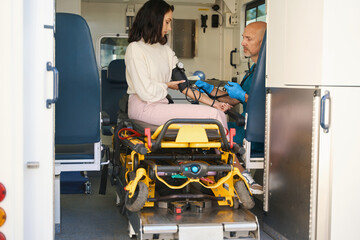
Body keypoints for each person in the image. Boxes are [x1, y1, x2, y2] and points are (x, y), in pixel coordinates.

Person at [125, 0, 231, 136]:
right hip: (143, 107)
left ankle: (224, 154)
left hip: (160, 106)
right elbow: (146, 92)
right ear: (154, 20)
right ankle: (229, 155)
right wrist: (167, 85)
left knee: (217, 112)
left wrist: (214, 103)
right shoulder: (135, 49)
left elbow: (184, 86)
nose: (169, 28)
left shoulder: (165, 50)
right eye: (167, 22)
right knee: (213, 116)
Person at [195, 21, 267, 194]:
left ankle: (243, 177)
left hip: (257, 133)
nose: (243, 43)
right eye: (243, 38)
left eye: (248, 39)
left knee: (212, 133)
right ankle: (227, 178)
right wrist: (210, 89)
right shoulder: (254, 70)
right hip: (246, 127)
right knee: (205, 129)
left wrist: (243, 96)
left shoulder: (269, 72)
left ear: (264, 42)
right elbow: (234, 100)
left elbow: (270, 106)